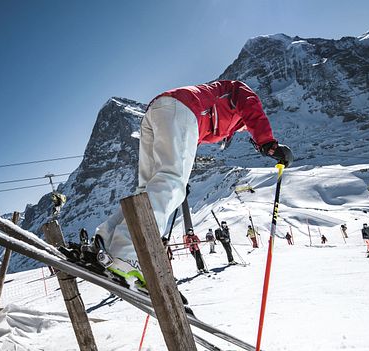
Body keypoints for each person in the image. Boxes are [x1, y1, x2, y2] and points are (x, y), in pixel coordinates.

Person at [94, 80, 292, 287]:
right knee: (170, 182)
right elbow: (251, 107)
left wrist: (182, 178)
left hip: (158, 112)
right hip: (181, 108)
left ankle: (104, 241)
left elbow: (186, 142)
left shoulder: (218, 114)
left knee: (147, 189)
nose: (244, 130)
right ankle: (126, 254)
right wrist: (267, 143)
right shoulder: (240, 94)